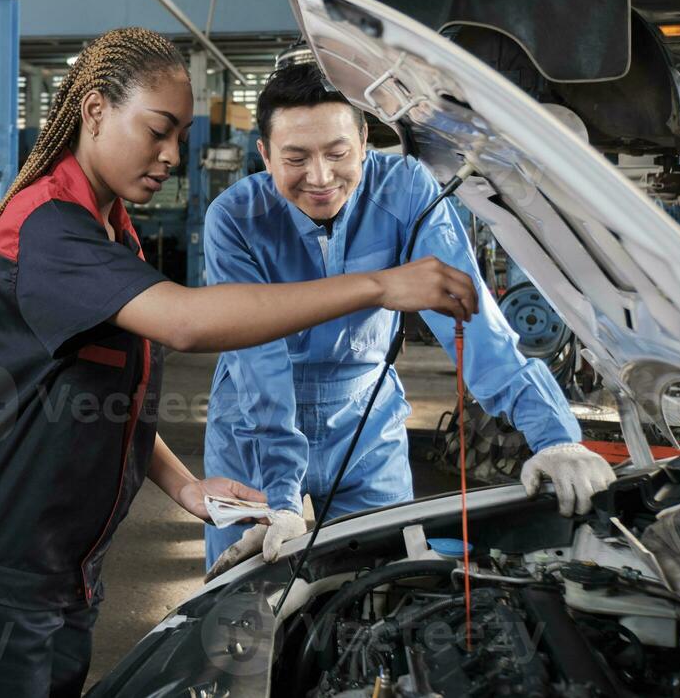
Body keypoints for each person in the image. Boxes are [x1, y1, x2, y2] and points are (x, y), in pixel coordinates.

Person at [0, 28, 481, 697]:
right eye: (157, 131)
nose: (173, 155)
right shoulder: (47, 227)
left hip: (62, 558)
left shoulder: (107, 226)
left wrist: (184, 487)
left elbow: (102, 390)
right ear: (94, 112)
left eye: (179, 135)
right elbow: (186, 322)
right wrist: (377, 285)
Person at [203, 62, 617, 579]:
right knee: (237, 603)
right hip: (250, 430)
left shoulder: (407, 192)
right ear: (264, 155)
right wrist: (282, 496)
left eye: (337, 154)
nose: (320, 178)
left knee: (384, 587)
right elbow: (257, 359)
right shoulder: (233, 219)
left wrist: (554, 434)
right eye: (295, 158)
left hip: (365, 423)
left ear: (363, 140)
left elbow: (471, 317)